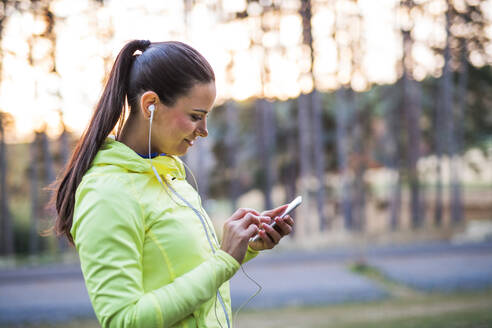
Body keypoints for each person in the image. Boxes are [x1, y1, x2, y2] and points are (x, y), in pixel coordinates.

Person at [52, 40, 294, 328]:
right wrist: (224, 260)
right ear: (150, 105)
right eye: (195, 117)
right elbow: (123, 320)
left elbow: (179, 270)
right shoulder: (106, 193)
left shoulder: (170, 176)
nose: (204, 131)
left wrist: (244, 246)